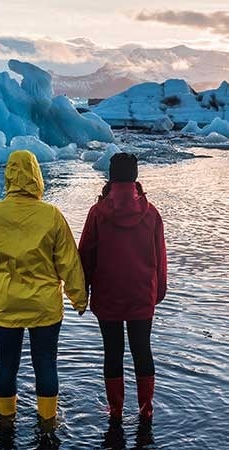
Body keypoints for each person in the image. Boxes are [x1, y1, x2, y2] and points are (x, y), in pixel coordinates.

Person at [0, 150, 88, 443]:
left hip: (7, 302)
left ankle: (5, 422)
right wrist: (79, 297)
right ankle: (48, 424)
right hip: (45, 305)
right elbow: (68, 261)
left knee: (5, 363)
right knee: (46, 362)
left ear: (9, 175)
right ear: (37, 176)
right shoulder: (51, 215)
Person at [79, 153, 167, 424]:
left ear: (111, 176)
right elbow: (160, 258)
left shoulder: (98, 212)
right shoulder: (151, 213)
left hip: (108, 296)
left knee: (112, 352)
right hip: (142, 294)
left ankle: (115, 410)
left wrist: (82, 291)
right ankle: (146, 408)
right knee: (143, 350)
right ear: (135, 177)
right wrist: (158, 292)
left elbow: (85, 256)